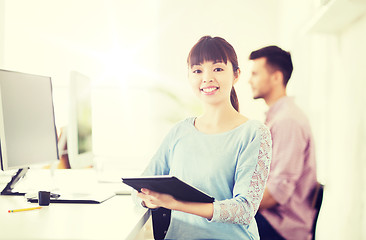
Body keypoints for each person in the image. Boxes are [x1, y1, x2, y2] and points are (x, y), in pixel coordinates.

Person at [134, 36, 272, 239]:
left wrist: (176, 204)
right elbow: (142, 186)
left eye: (217, 69)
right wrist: (149, 199)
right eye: (197, 71)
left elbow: (244, 209)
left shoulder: (254, 133)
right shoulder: (179, 131)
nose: (207, 78)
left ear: (236, 75)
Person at [248, 46, 318, 240]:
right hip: (270, 219)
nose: (249, 80)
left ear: (276, 77)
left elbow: (275, 193)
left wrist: (232, 206)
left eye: (255, 74)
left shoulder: (287, 121)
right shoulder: (279, 117)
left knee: (211, 225)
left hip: (280, 228)